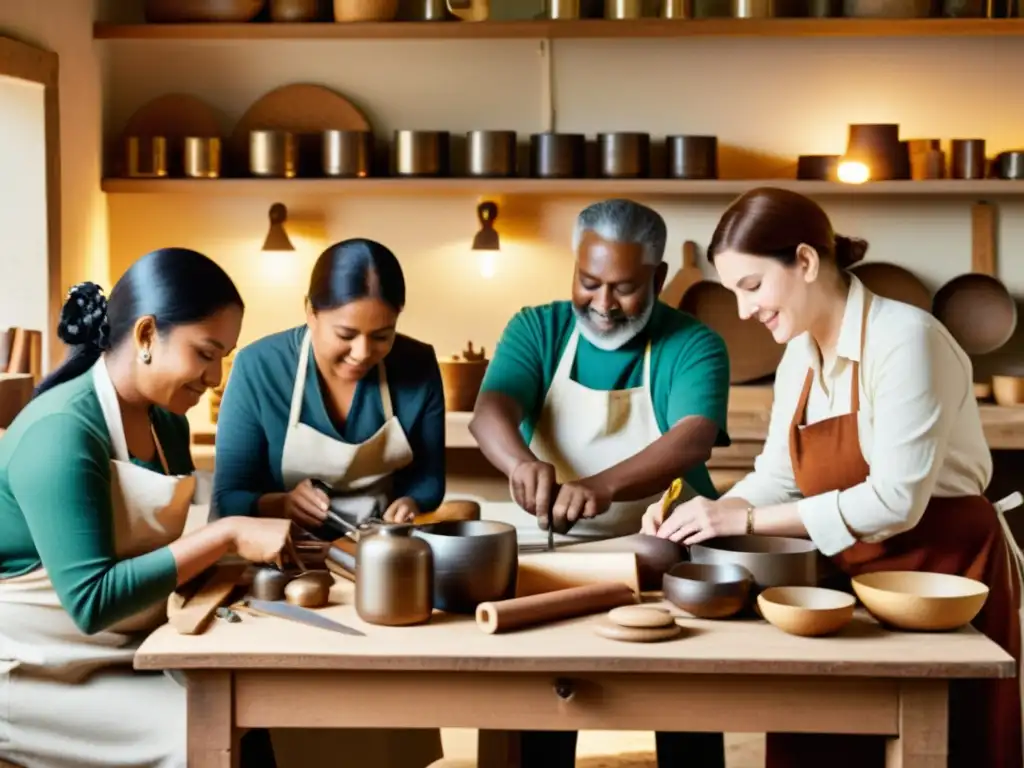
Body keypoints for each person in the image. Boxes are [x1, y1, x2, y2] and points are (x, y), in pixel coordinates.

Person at [643, 187, 1023, 768]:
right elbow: (776, 476)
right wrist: (703, 511)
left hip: (941, 574)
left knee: (946, 745)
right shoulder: (798, 354)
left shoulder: (905, 339)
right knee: (818, 736)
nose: (744, 312)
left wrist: (740, 519)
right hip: (846, 568)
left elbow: (895, 501)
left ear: (805, 260)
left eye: (752, 288)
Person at [0, 248, 293, 768]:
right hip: (30, 668)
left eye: (224, 355)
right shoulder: (62, 433)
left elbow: (153, 562)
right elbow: (92, 600)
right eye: (205, 353)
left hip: (123, 647)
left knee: (256, 707)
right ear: (145, 335)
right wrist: (224, 536)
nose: (216, 375)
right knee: (200, 732)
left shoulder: (167, 424)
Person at [470, 199, 732, 768]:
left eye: (625, 287)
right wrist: (519, 464)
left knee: (683, 705)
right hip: (553, 551)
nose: (604, 304)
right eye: (589, 282)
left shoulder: (693, 344)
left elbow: (692, 438)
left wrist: (601, 487)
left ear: (658, 278)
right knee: (539, 707)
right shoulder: (537, 328)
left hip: (664, 555)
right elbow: (490, 409)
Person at [211, 237, 445, 768]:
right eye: (346, 334)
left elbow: (431, 479)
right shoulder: (258, 367)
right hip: (285, 575)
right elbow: (228, 499)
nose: (363, 353)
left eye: (381, 336)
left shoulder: (416, 363)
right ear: (310, 313)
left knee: (385, 738)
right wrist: (276, 502)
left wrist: (411, 501)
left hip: (379, 569)